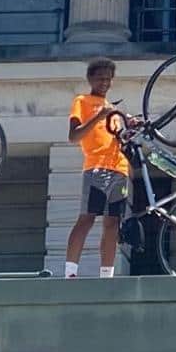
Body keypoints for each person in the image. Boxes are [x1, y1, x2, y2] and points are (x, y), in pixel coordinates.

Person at [64, 57, 129, 279]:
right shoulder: (82, 101)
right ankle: (70, 272)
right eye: (100, 78)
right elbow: (74, 136)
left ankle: (106, 275)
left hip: (119, 169)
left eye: (108, 79)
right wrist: (98, 117)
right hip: (96, 168)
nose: (104, 82)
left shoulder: (113, 109)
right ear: (90, 79)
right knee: (87, 218)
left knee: (112, 223)